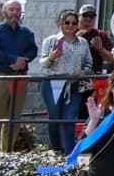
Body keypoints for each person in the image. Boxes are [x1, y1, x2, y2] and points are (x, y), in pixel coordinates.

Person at [0, 0, 38, 153]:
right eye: (11, 9)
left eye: (17, 9)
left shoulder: (26, 32)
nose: (15, 12)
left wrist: (23, 61)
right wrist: (14, 60)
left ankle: (6, 154)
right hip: (0, 76)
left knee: (13, 119)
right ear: (4, 11)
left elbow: (33, 50)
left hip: (20, 77)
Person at [39, 8, 92, 154]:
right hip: (53, 83)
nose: (70, 25)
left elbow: (89, 63)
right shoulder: (51, 41)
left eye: (74, 23)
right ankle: (56, 150)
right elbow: (43, 63)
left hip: (73, 85)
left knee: (69, 119)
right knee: (54, 119)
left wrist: (83, 71)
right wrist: (51, 57)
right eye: (67, 22)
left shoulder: (82, 42)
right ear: (60, 24)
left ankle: (69, 153)